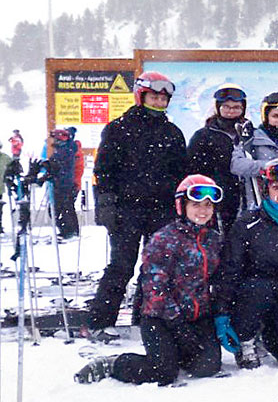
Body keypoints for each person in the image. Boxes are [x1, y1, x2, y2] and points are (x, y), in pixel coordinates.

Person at [74, 175, 225, 385]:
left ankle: (174, 353)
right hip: (161, 318)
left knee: (207, 366)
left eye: (208, 205)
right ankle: (115, 364)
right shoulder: (165, 239)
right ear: (182, 206)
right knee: (162, 372)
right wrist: (177, 323)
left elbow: (219, 281)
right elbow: (154, 288)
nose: (203, 211)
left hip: (197, 317)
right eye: (196, 204)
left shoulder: (214, 240)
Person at [89, 72, 188, 336]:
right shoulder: (119, 128)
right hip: (127, 210)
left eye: (163, 98)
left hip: (162, 210)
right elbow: (103, 170)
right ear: (141, 95)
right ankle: (100, 321)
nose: (158, 102)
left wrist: (181, 209)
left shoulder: (172, 133)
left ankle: (145, 319)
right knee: (122, 265)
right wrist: (106, 204)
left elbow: (181, 173)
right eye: (154, 96)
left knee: (155, 267)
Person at [212, 159, 278, 370]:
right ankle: (247, 339)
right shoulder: (247, 224)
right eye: (277, 188)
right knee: (260, 287)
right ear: (266, 190)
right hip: (250, 298)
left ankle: (271, 334)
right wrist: (222, 313)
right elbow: (230, 270)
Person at [186, 84, 251, 227]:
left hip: (247, 199)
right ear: (218, 107)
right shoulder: (203, 136)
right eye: (226, 107)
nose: (231, 111)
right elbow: (191, 170)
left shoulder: (250, 135)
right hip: (215, 199)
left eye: (236, 107)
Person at [43, 127, 81, 240]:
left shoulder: (65, 150)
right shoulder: (67, 149)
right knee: (66, 208)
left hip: (63, 184)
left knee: (60, 209)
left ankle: (68, 231)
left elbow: (59, 166)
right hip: (65, 183)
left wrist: (48, 168)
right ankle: (70, 231)